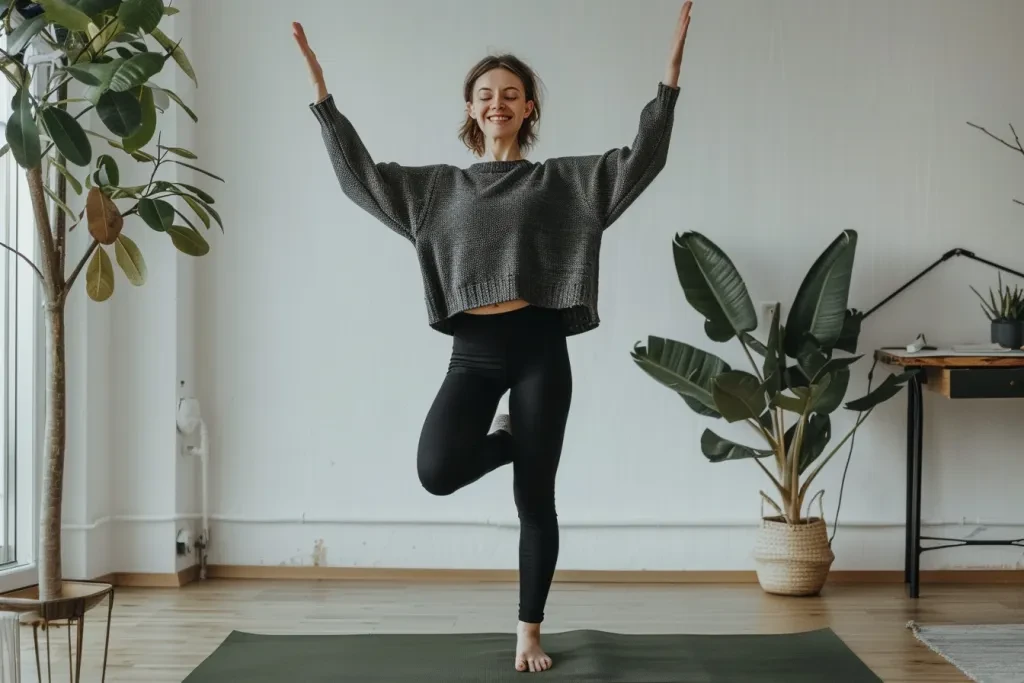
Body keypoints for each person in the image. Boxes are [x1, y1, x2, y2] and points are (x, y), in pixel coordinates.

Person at [293, 3, 691, 672]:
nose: (497, 102)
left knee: (535, 499)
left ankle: (528, 632)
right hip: (473, 354)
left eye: (510, 93)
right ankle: (507, 438)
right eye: (485, 94)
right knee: (437, 469)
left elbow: (640, 161)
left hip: (540, 349)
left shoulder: (561, 181)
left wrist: (670, 80)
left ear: (528, 107)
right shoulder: (436, 191)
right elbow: (361, 177)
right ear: (471, 109)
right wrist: (323, 99)